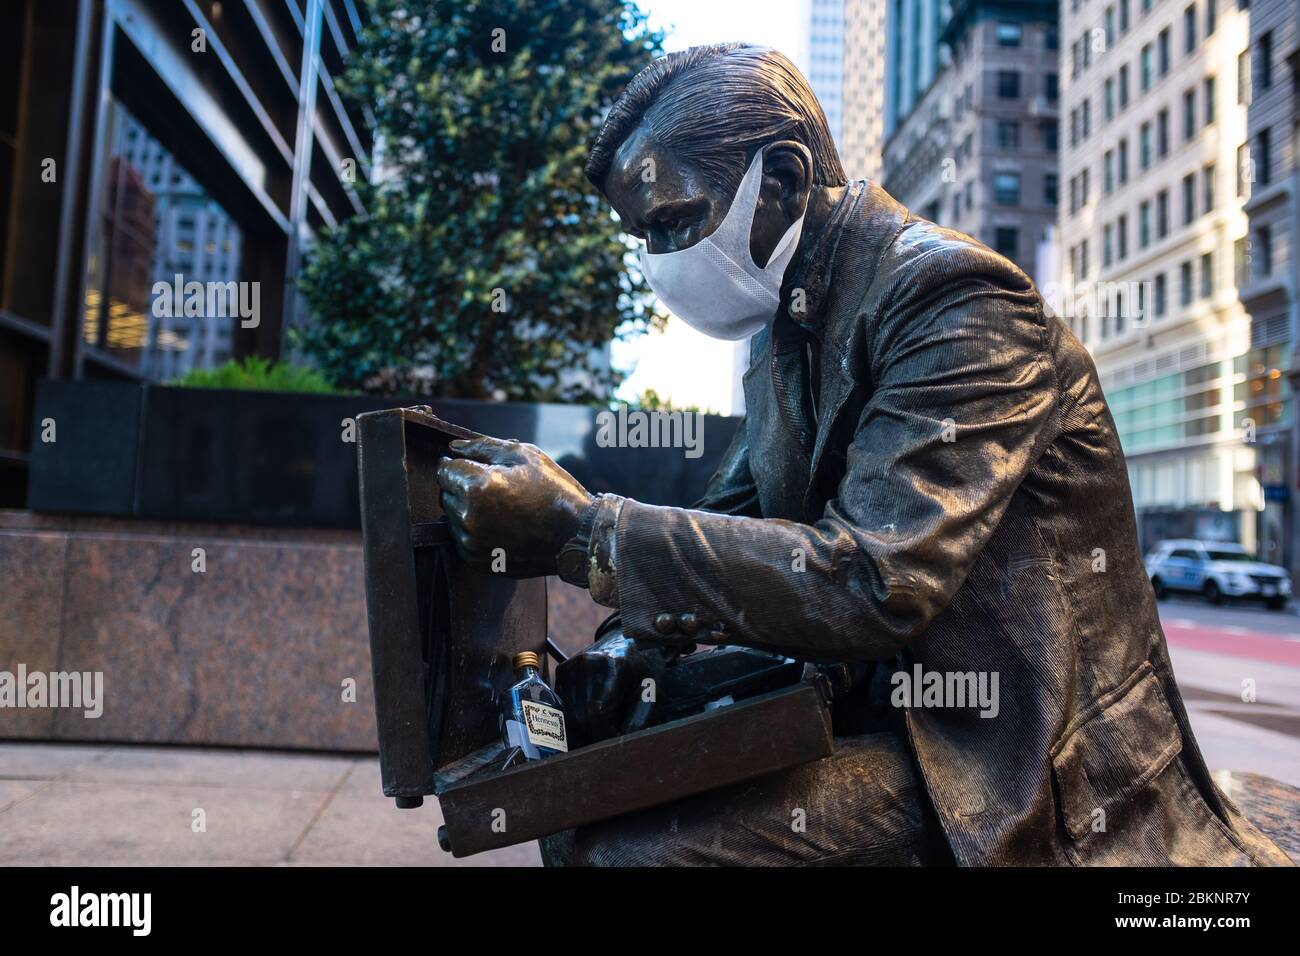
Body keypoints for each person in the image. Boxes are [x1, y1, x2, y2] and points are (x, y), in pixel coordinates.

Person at [435, 43, 1292, 866]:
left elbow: (875, 582)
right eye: (643, 239)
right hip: (876, 707)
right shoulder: (779, 341)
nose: (661, 263)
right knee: (576, 804)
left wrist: (589, 532)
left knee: (629, 852)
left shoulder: (956, 299)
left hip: (1019, 752)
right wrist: (634, 649)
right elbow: (731, 525)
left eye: (673, 223)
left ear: (782, 178)